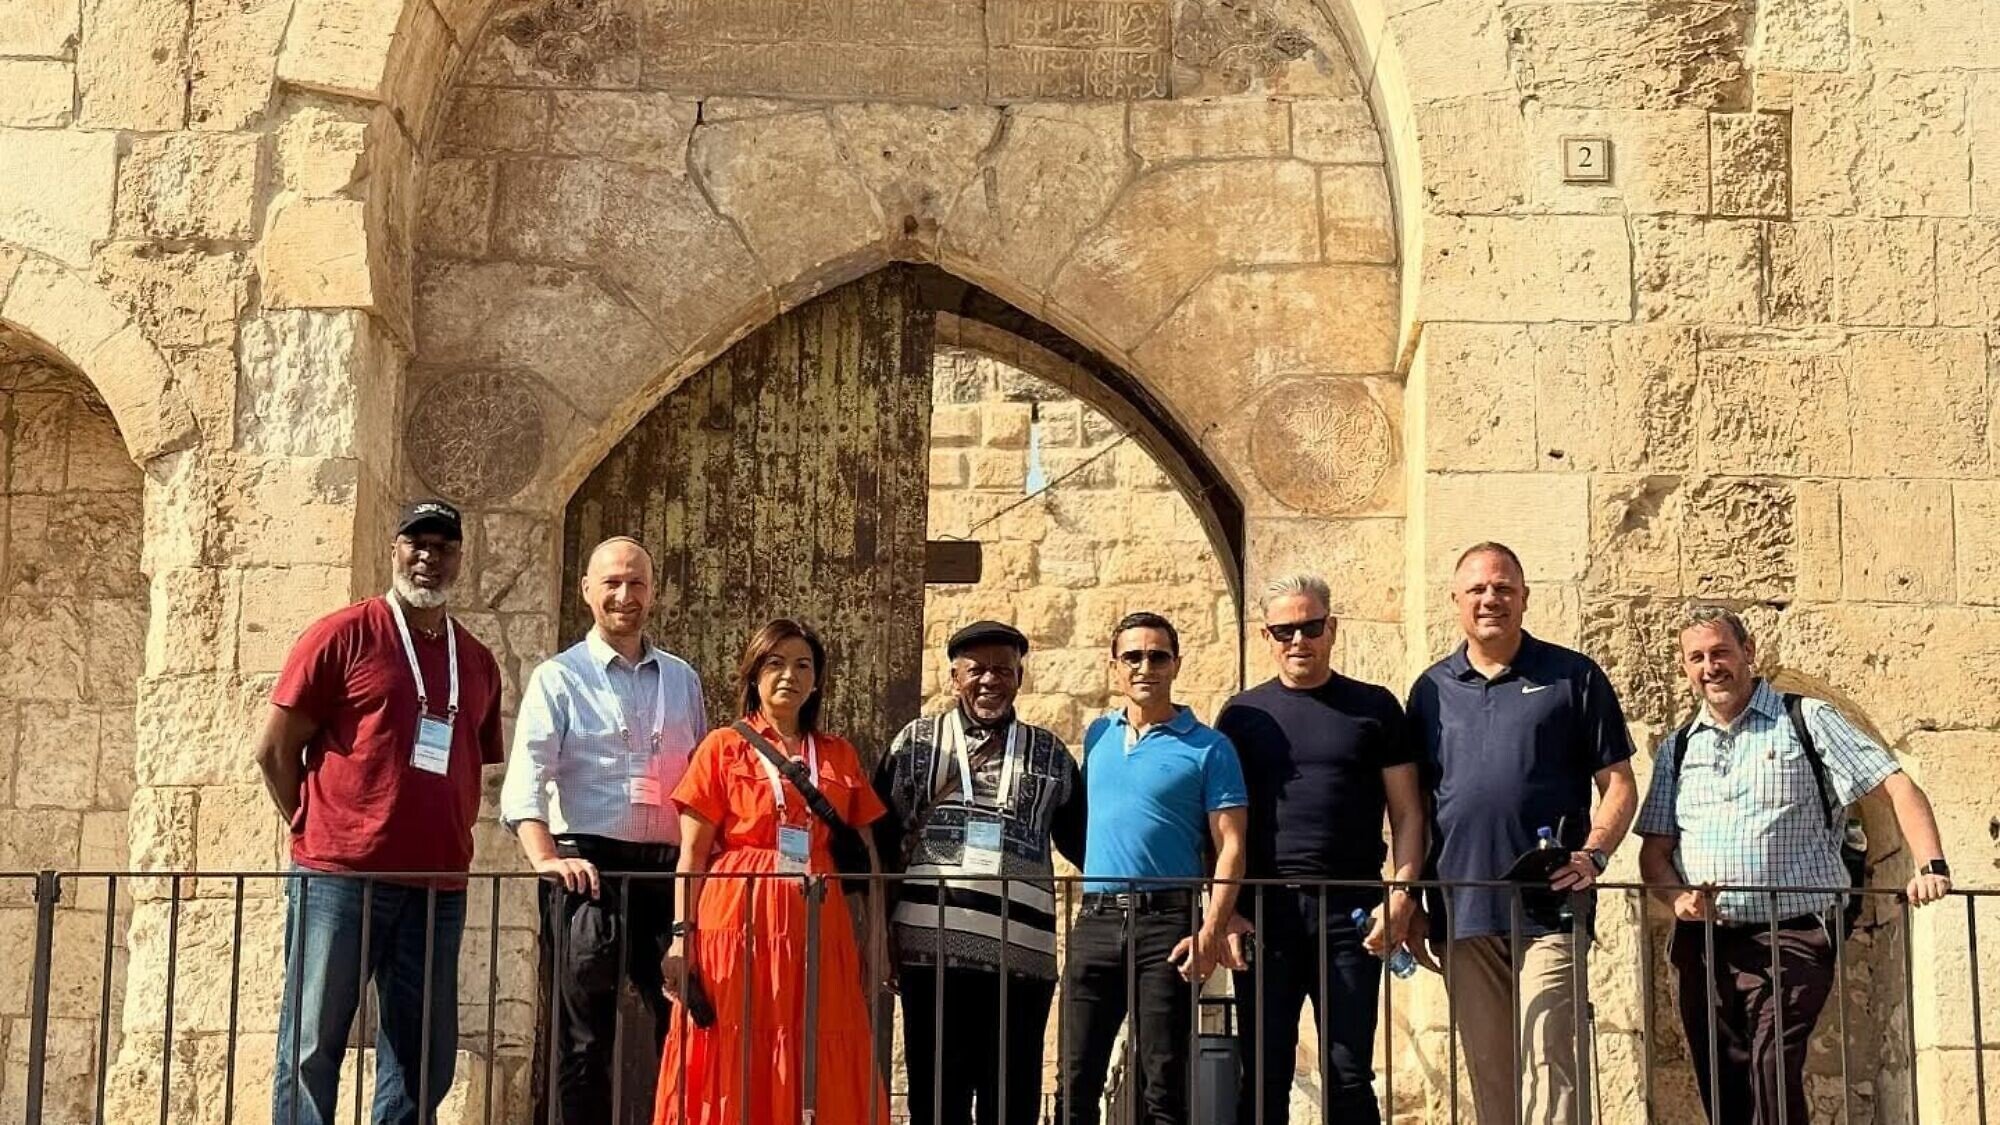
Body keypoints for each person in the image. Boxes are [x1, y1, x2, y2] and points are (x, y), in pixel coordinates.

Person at [1636, 606, 1954, 1125]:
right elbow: (1654, 852)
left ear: (1748, 653)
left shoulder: (1806, 719)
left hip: (1796, 928)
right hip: (1705, 938)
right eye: (1696, 658)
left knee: (1770, 1064)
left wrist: (1931, 865)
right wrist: (1678, 899)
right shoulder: (1679, 746)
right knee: (1722, 1080)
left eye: (1720, 652)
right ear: (1685, 668)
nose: (1710, 666)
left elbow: (1896, 784)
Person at [254, 499, 505, 1125]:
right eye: (416, 542)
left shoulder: (475, 661)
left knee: (424, 1056)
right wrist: (314, 826)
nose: (429, 556)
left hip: (437, 886)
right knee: (313, 1043)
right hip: (341, 879)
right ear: (393, 549)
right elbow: (274, 751)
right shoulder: (342, 635)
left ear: (460, 559)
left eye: (443, 546)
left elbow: (473, 761)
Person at [1403, 542, 1639, 1125]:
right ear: (1456, 602)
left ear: (1525, 598)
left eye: (1504, 588)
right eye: (1478, 590)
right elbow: (1410, 808)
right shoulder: (1429, 691)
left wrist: (1594, 855)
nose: (1491, 599)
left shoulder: (1573, 675)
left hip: (1550, 906)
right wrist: (1408, 899)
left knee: (1549, 1061)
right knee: (1493, 1084)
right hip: (1461, 911)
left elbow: (1620, 784)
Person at [501, 537, 708, 1124]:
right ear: (587, 591)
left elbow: (701, 781)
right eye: (612, 583)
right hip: (586, 869)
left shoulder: (682, 680)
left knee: (685, 1027)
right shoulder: (558, 678)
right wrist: (545, 858)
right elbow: (526, 779)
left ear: (654, 592)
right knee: (584, 1039)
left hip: (667, 873)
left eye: (637, 582)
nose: (625, 595)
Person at [654, 619, 890, 1125]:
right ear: (754, 674)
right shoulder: (722, 747)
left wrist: (876, 942)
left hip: (819, 932)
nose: (790, 675)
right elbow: (692, 856)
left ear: (818, 679)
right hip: (734, 928)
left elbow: (866, 856)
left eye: (803, 664)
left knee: (818, 1041)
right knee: (735, 1042)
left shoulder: (838, 754)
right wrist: (681, 938)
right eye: (776, 663)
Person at [1216, 574, 1426, 1125]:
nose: (1298, 640)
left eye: (1310, 626)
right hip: (1267, 913)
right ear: (1267, 636)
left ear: (1331, 628)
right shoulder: (1242, 716)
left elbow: (1407, 813)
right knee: (1262, 1075)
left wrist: (1401, 897)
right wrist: (1227, 912)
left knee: (1348, 1072)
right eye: (1284, 630)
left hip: (1351, 911)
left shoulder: (1375, 708)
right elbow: (1217, 825)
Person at [873, 620, 1087, 1125]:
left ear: (1020, 677)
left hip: (1022, 961)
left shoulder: (1051, 753)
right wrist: (879, 939)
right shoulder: (915, 743)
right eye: (977, 670)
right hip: (933, 956)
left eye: (1003, 670)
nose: (989, 680)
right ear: (954, 676)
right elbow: (880, 844)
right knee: (937, 1097)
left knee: (1011, 1101)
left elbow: (1085, 844)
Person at [1057, 612, 1249, 1125]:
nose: (1146, 666)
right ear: (1115, 666)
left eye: (1158, 655)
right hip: (1095, 921)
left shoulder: (1210, 747)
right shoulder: (1097, 737)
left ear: (1176, 664)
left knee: (1163, 1080)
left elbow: (1230, 846)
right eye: (1134, 656)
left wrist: (1210, 929)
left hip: (1168, 923)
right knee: (1075, 1078)